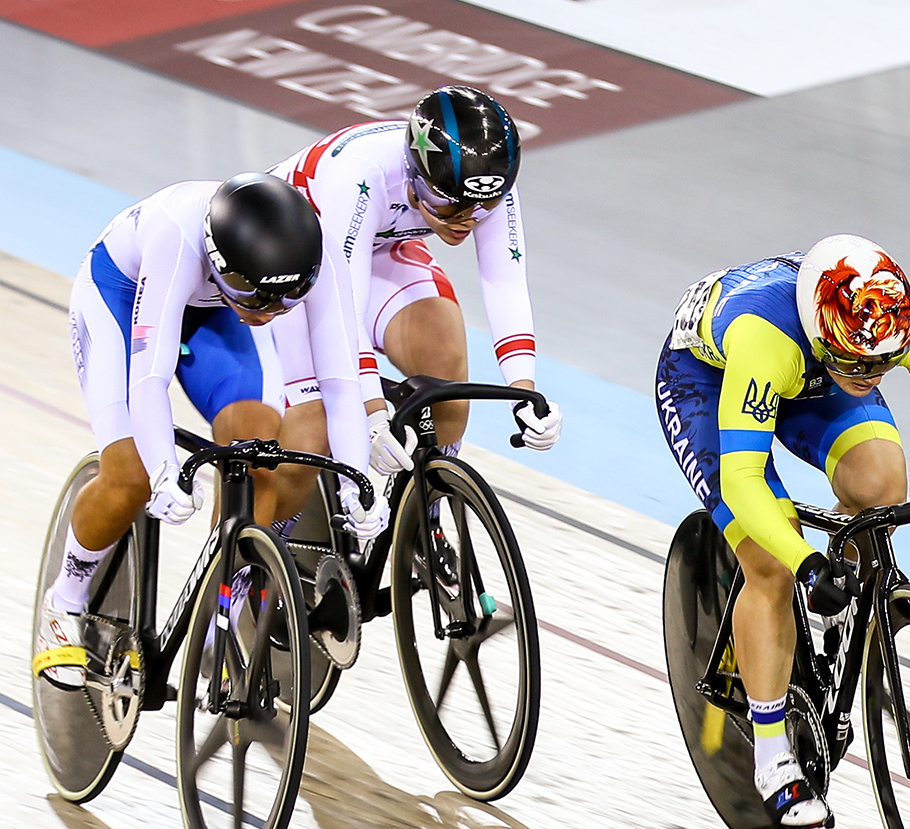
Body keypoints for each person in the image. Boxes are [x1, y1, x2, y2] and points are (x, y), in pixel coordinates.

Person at [656, 235, 910, 829]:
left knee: (883, 486)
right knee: (770, 562)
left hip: (813, 374)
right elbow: (744, 479)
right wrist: (806, 561)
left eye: (883, 365)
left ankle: (832, 614)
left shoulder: (891, 321)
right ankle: (772, 759)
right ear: (824, 332)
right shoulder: (766, 336)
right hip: (706, 381)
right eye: (861, 365)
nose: (873, 376)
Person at [34, 171, 355, 689]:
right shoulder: (176, 236)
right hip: (121, 298)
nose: (269, 316)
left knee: (259, 455)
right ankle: (64, 601)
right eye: (260, 300)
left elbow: (340, 378)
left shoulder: (294, 260)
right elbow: (149, 377)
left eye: (280, 305)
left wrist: (355, 478)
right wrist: (164, 469)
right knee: (131, 473)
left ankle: (215, 628)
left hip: (219, 310)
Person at [263, 84, 561, 523]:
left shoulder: (486, 184)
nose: (465, 220)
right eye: (448, 205)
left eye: (481, 210)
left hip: (384, 251)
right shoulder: (361, 175)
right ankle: (251, 572)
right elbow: (344, 312)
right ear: (414, 176)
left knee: (447, 377)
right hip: (292, 261)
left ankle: (424, 524)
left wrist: (524, 390)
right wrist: (371, 411)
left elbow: (505, 283)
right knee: (307, 433)